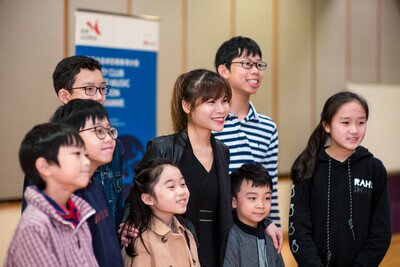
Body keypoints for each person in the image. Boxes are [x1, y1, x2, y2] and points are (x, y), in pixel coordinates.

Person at [127, 69, 232, 266]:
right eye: (211, 102)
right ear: (187, 105)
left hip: (218, 249)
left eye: (224, 100)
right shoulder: (164, 147)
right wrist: (128, 225)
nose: (221, 109)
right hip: (174, 247)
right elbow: (137, 194)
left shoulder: (223, 151)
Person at [22, 55, 124, 232]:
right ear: (65, 95)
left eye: (102, 88)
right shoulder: (46, 152)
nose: (99, 97)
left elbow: (117, 207)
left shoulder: (113, 146)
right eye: (89, 89)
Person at [289, 91, 391, 266]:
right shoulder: (307, 167)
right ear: (327, 125)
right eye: (345, 122)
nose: (354, 130)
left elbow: (381, 232)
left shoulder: (374, 169)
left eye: (361, 122)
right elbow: (299, 229)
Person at [214, 36, 282, 251]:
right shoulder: (211, 122)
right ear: (223, 70)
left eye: (259, 65)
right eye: (247, 64)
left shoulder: (268, 126)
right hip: (216, 229)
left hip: (254, 230)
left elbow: (269, 182)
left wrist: (273, 224)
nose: (256, 71)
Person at [5, 123, 98, 266]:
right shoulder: (35, 227)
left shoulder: (78, 212)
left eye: (85, 154)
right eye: (76, 154)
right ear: (45, 167)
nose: (86, 162)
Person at [50, 99, 123, 267]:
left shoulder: (96, 184)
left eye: (109, 130)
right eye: (98, 131)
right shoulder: (63, 197)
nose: (108, 139)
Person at [122, 158, 200, 267]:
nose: (181, 191)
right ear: (148, 198)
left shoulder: (186, 233)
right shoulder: (141, 243)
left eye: (183, 184)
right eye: (171, 187)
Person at [223, 163, 284, 267]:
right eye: (252, 198)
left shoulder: (270, 235)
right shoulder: (232, 238)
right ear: (234, 202)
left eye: (267, 198)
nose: (261, 205)